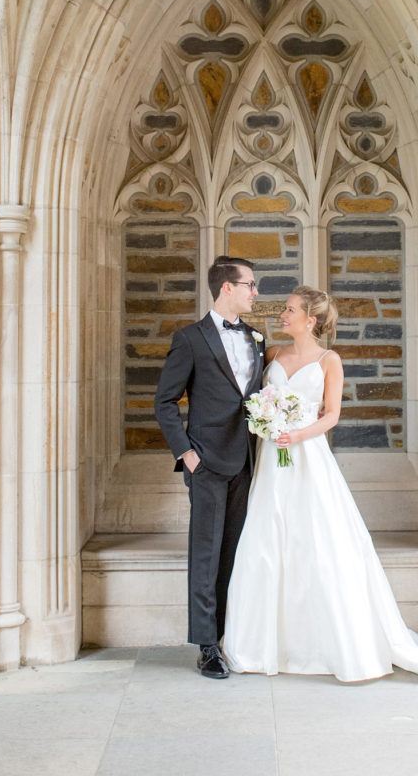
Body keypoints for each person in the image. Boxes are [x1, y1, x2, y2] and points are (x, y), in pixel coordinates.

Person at [222, 285, 418, 689]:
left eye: (290, 309)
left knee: (318, 542)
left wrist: (296, 436)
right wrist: (266, 422)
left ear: (310, 320)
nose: (282, 314)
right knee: (266, 543)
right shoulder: (274, 355)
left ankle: (326, 643)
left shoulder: (329, 360)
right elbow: (257, 397)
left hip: (307, 458)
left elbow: (331, 415)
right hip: (272, 461)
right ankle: (262, 645)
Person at [154, 255, 265, 679]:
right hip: (207, 462)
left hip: (247, 460)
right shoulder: (190, 339)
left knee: (234, 552)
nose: (255, 292)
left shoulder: (256, 337)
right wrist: (186, 453)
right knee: (206, 553)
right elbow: (164, 402)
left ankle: (229, 635)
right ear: (227, 289)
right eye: (250, 285)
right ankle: (206, 646)